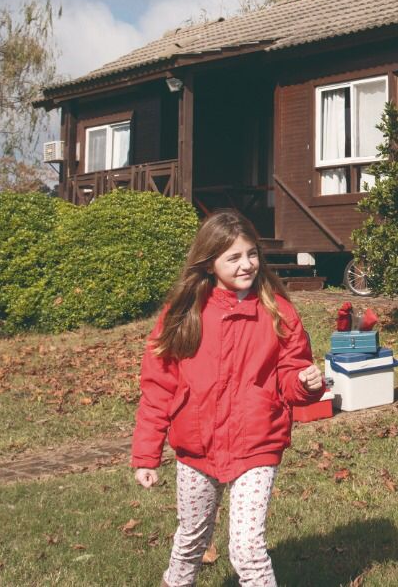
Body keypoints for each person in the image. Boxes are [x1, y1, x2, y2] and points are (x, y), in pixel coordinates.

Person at [131, 210, 323, 587]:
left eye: (251, 254)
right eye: (233, 257)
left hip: (256, 444)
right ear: (209, 263)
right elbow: (158, 387)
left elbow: (290, 373)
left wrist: (304, 383)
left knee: (248, 550)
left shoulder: (277, 311)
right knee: (191, 539)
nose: (246, 264)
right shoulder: (185, 314)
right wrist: (146, 454)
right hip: (197, 447)